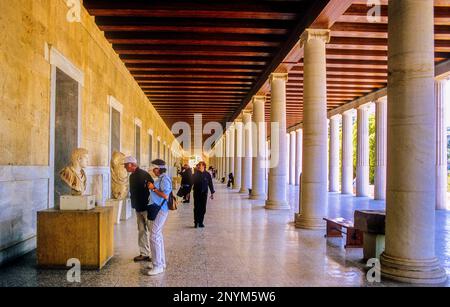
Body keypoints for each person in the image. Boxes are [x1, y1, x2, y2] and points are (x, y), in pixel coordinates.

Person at [124, 156, 154, 262]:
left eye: (125, 165)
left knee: (152, 231)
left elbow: (153, 189)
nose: (124, 167)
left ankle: (155, 255)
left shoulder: (144, 174)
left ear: (131, 164)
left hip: (146, 208)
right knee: (141, 231)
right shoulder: (131, 176)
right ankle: (144, 253)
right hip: (138, 208)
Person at [146, 159, 172, 276]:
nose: (152, 170)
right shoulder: (161, 178)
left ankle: (158, 266)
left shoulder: (164, 179)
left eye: (154, 168)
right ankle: (160, 262)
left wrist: (153, 188)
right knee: (158, 235)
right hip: (158, 209)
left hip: (161, 209)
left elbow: (165, 195)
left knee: (154, 236)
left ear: (158, 168)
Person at [192, 161, 215, 228]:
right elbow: (191, 183)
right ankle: (196, 222)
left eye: (200, 165)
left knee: (203, 208)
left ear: (204, 166)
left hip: (204, 193)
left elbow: (210, 183)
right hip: (196, 193)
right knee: (196, 208)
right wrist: (187, 193)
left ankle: (201, 222)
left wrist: (212, 192)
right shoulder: (195, 174)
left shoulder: (207, 174)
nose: (198, 166)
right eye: (198, 165)